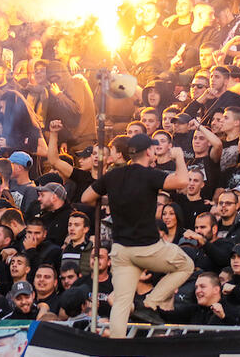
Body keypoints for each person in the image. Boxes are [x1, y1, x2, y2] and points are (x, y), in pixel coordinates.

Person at [82, 134, 194, 338]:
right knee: (186, 265)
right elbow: (182, 181)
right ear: (149, 152)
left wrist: (113, 200)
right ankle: (150, 302)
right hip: (148, 247)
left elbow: (86, 198)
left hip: (121, 250)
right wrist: (178, 157)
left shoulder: (113, 176)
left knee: (122, 303)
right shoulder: (149, 174)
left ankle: (116, 348)